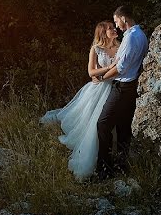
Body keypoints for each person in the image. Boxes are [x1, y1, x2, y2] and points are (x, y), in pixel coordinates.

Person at [40, 20, 119, 180]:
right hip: (98, 89)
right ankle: (93, 157)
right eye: (110, 28)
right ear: (103, 33)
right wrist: (110, 68)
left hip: (115, 87)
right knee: (92, 122)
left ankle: (113, 155)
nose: (114, 29)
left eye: (113, 26)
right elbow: (91, 72)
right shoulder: (96, 49)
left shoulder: (121, 46)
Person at [95, 5, 148, 178]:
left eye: (117, 21)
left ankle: (104, 169)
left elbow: (120, 68)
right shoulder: (141, 35)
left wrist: (103, 78)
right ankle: (121, 165)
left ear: (124, 18)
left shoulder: (131, 38)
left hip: (123, 87)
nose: (116, 26)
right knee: (123, 127)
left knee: (103, 124)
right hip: (131, 87)